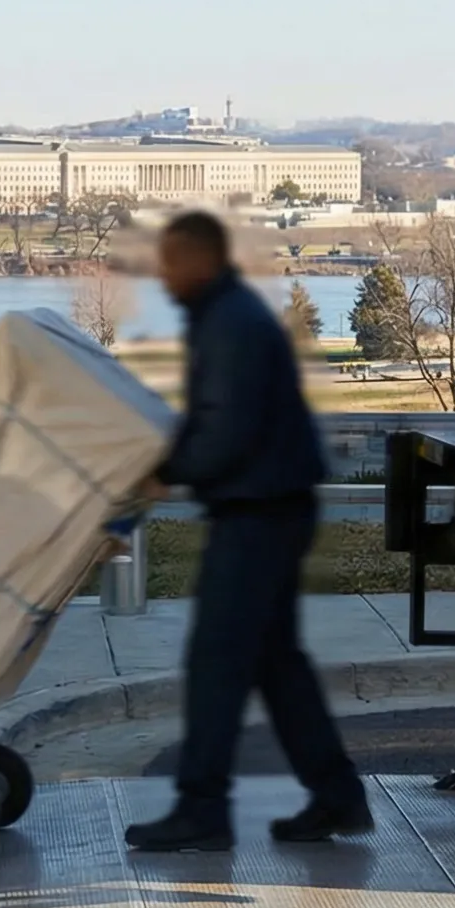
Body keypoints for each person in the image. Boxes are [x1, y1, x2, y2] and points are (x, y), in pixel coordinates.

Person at [124, 210, 368, 851]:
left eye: (173, 261)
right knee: (276, 665)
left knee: (216, 663)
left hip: (260, 512)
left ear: (203, 260)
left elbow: (226, 430)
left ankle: (203, 810)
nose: (164, 273)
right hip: (270, 506)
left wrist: (167, 471)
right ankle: (338, 795)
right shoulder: (225, 315)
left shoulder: (230, 324)